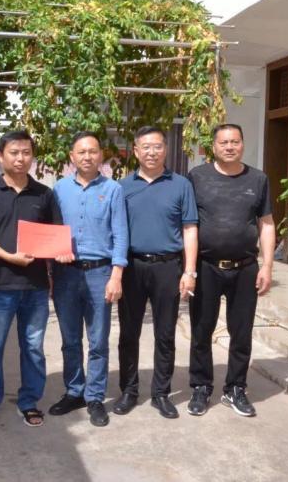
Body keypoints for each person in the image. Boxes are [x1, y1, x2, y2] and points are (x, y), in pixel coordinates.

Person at [0, 130, 61, 430]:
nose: (21, 158)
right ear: (0, 156)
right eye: (14, 152)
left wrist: (56, 260)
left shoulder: (44, 194)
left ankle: (29, 401)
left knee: (33, 348)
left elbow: (54, 237)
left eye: (26, 152)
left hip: (36, 288)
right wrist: (9, 257)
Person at [186, 123, 275, 418]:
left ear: (242, 144)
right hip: (207, 267)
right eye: (223, 142)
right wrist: (188, 269)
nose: (229, 147)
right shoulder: (197, 177)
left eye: (234, 142)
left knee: (242, 332)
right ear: (213, 146)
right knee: (201, 330)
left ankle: (235, 388)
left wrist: (267, 266)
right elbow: (189, 225)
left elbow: (266, 224)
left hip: (245, 268)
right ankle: (201, 387)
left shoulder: (258, 179)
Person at [114, 126, 199, 419]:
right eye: (146, 147)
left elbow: (190, 228)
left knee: (165, 333)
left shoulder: (181, 184)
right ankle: (129, 390)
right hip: (132, 267)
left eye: (157, 146)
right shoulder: (122, 187)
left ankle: (161, 393)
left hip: (168, 267)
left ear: (166, 149)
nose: (152, 152)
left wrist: (190, 271)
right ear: (136, 151)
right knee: (129, 333)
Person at [48, 132, 128, 427]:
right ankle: (74, 392)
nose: (87, 156)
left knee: (98, 341)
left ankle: (95, 397)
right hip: (66, 274)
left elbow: (121, 234)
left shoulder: (113, 189)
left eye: (92, 151)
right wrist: (53, 260)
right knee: (70, 339)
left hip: (100, 273)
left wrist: (116, 275)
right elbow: (51, 229)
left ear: (101, 155)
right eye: (81, 152)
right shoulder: (59, 189)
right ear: (72, 156)